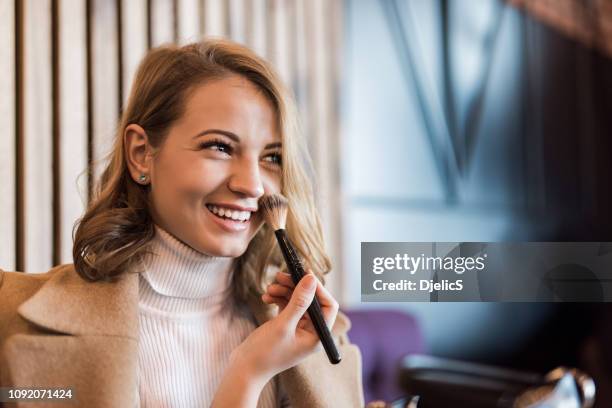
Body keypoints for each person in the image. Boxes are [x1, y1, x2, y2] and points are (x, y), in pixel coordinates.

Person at [0, 39, 364, 407]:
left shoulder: (319, 340)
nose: (252, 185)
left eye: (272, 156)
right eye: (220, 147)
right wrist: (246, 372)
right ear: (141, 155)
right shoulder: (10, 317)